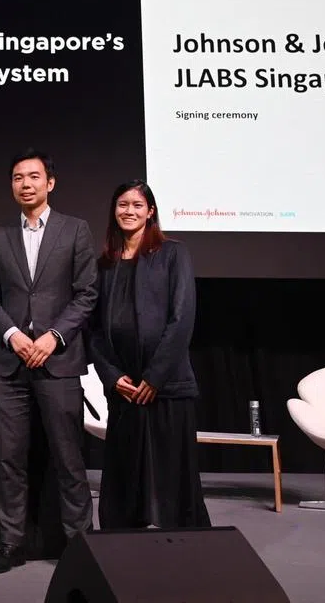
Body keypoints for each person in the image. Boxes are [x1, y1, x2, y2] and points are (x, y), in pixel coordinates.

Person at [0, 149, 98, 574]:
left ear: (50, 183)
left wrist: (53, 336)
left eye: (33, 176)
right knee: (9, 460)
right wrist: (12, 335)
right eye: (17, 177)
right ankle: (10, 544)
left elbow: (87, 294)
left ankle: (81, 547)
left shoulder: (75, 230)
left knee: (69, 458)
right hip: (9, 367)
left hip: (58, 361)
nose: (25, 184)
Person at [87, 180, 211, 530]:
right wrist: (111, 376)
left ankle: (182, 549)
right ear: (114, 211)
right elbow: (93, 330)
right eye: (123, 204)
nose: (129, 211)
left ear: (150, 211)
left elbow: (181, 318)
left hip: (167, 386)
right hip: (125, 388)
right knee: (126, 477)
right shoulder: (104, 264)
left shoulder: (173, 253)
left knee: (173, 477)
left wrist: (154, 377)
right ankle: (125, 549)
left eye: (137, 205)